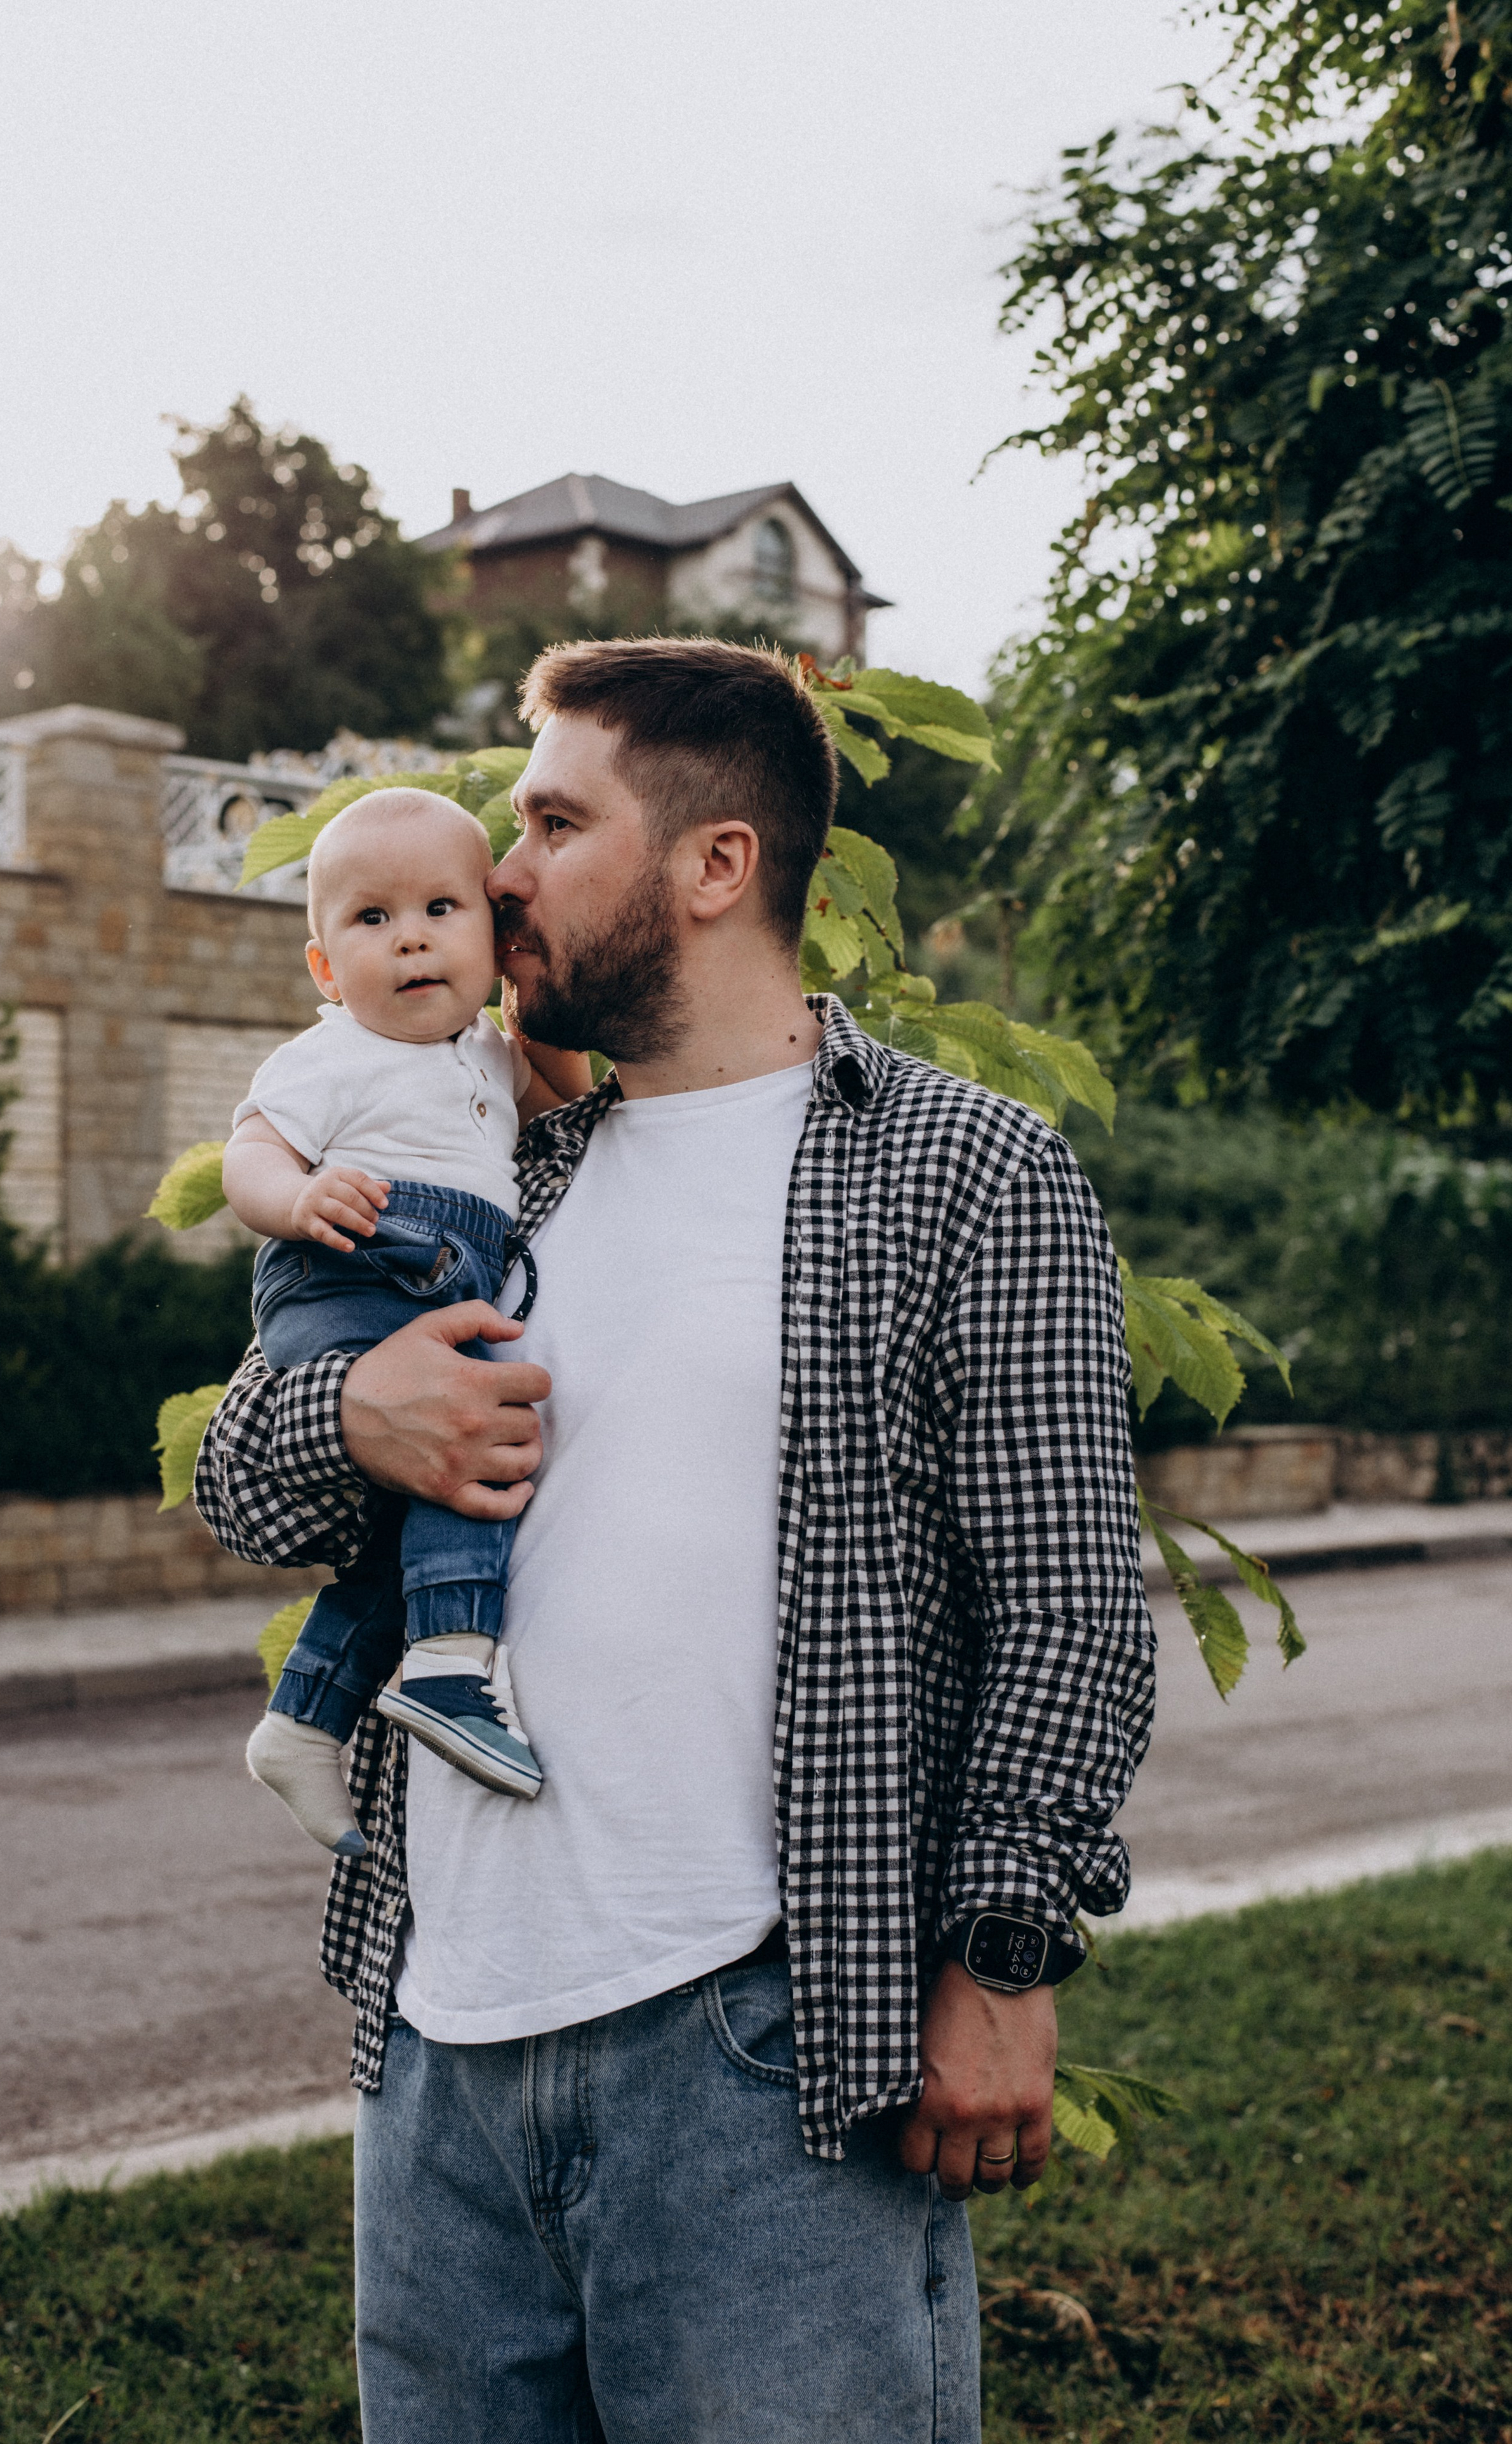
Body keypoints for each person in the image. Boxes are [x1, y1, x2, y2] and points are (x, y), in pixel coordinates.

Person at [194, 639, 1155, 2444]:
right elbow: (250, 1491)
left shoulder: (968, 1171)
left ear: (716, 865)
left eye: (554, 823)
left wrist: (1005, 1959)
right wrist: (350, 1414)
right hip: (439, 2049)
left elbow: (1068, 1605)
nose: (498, 878)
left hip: (766, 2060)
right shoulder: (494, 1161)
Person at [225, 787, 591, 1851]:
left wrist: (536, 1020)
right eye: (372, 920)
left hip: (437, 1277)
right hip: (348, 1275)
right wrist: (295, 1199)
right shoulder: (329, 1055)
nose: (413, 938)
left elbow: (565, 1119)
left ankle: (303, 1718)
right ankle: (448, 1662)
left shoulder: (485, 1054)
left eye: (443, 908)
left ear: (493, 936)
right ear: (326, 970)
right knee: (468, 1438)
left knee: (399, 1539)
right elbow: (253, 1152)